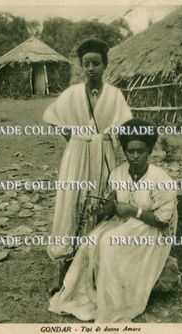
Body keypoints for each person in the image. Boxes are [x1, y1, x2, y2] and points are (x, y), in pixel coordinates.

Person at [48, 119, 178, 322]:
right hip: (122, 222)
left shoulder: (161, 180)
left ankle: (115, 305)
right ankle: (86, 296)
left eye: (140, 151)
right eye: (130, 151)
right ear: (124, 151)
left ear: (149, 151)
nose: (135, 156)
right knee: (88, 243)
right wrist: (103, 209)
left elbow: (163, 221)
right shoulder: (118, 173)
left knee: (110, 244)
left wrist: (133, 210)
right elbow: (112, 203)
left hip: (151, 231)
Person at [43, 38, 132, 260]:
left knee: (101, 196)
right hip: (78, 153)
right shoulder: (73, 93)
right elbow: (52, 117)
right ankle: (71, 248)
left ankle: (96, 247)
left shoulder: (114, 95)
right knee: (75, 195)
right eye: (86, 64)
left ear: (105, 65)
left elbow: (125, 125)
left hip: (104, 152)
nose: (91, 68)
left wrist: (107, 141)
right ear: (82, 66)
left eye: (96, 63)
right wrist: (73, 139)